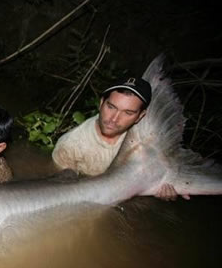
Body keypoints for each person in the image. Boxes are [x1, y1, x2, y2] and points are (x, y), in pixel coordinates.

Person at [51, 77, 189, 201]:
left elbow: (165, 167)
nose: (114, 119)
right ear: (101, 103)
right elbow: (62, 193)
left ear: (141, 116)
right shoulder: (69, 145)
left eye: (128, 113)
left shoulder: (147, 138)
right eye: (111, 107)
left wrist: (167, 184)